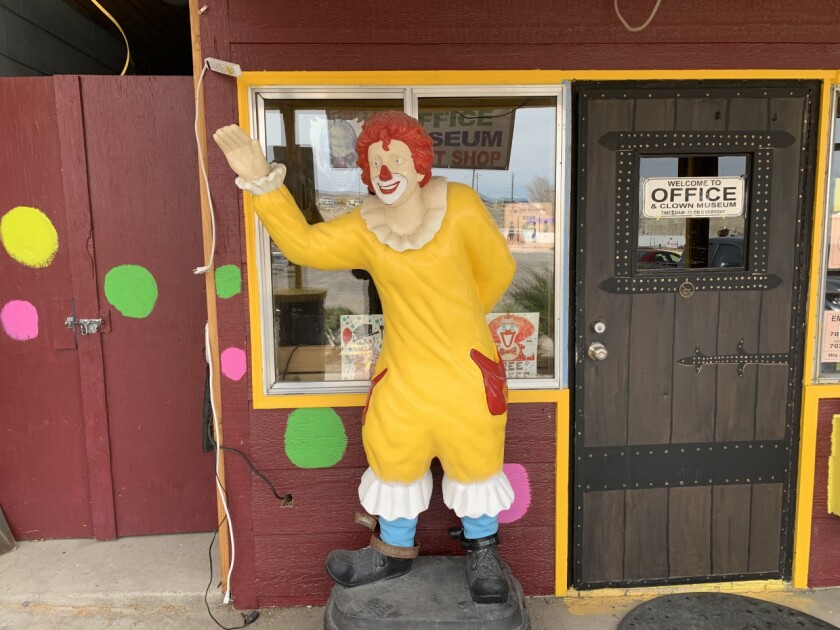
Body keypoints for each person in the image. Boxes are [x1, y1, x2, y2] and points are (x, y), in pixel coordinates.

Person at [213, 111, 516, 604]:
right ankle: (391, 551)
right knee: (392, 454)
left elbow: (498, 269)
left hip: (465, 373)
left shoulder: (458, 204)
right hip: (402, 376)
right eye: (376, 161)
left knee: (476, 459)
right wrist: (260, 181)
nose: (386, 170)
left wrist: (458, 320)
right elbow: (304, 245)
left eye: (396, 158)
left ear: (419, 165)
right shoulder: (366, 225)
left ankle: (483, 551)